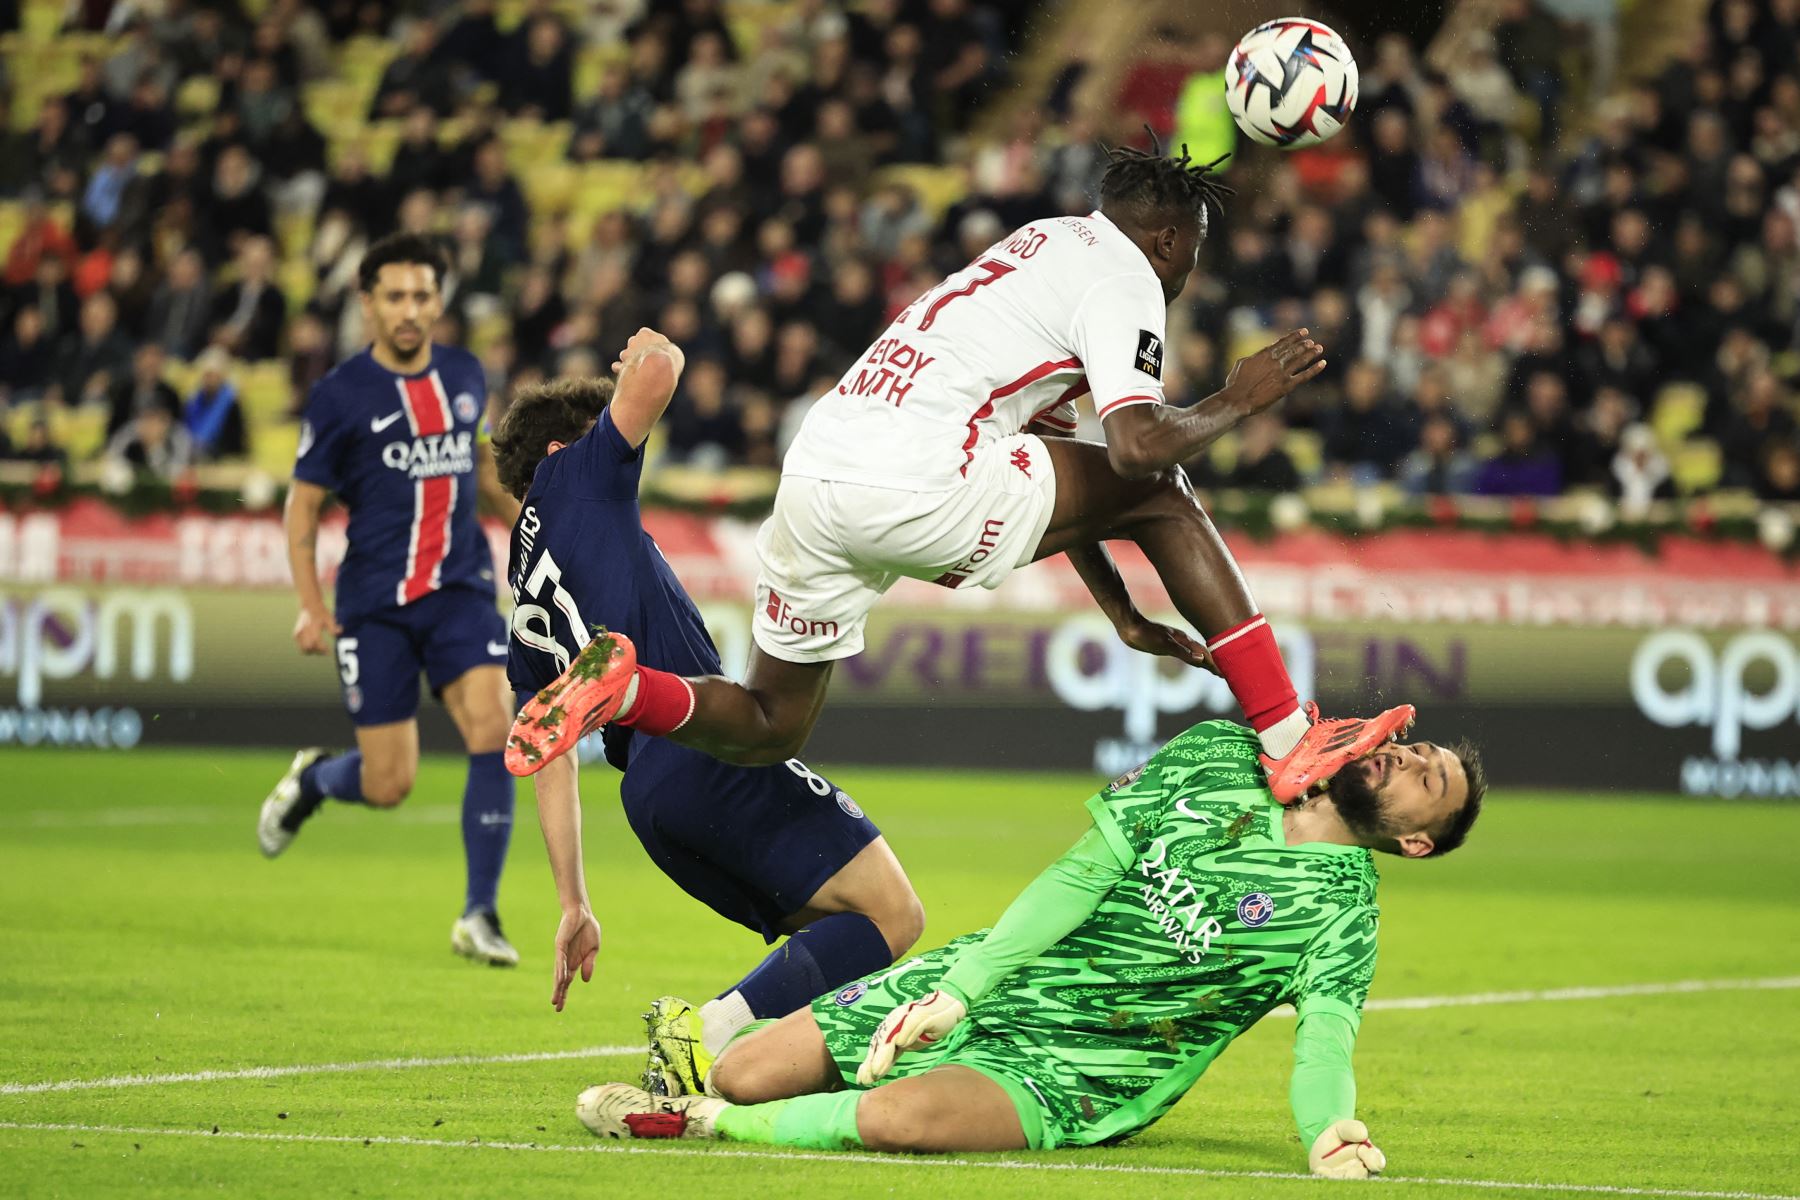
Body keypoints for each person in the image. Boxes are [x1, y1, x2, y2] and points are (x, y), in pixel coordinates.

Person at [506, 141, 1413, 804]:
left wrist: (1124, 614)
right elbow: (1134, 455)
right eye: (1196, 253)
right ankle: (1290, 737)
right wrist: (1238, 397)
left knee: (771, 720)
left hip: (819, 467)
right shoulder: (1130, 279)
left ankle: (624, 691)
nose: (1189, 273)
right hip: (921, 472)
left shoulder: (1047, 243)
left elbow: (1074, 466)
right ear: (1170, 239)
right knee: (1167, 499)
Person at [576, 718, 1485, 1178]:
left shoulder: (1343, 917)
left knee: (895, 1123)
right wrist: (963, 989)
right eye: (1415, 748)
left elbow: (1324, 1037)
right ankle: (734, 1089)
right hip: (993, 980)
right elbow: (1078, 877)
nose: (1407, 758)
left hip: (1083, 1068)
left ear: (1415, 843)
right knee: (746, 1069)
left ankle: (695, 1122)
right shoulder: (1221, 754)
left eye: (1429, 778)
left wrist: (1326, 1130)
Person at [490, 334, 926, 1095]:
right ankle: (705, 1033)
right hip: (698, 745)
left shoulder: (524, 592)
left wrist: (573, 901)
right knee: (895, 913)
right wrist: (643, 351)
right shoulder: (574, 474)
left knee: (835, 929)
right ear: (561, 449)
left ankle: (822, 1059)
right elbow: (659, 370)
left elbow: (545, 752)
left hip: (651, 804)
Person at [258, 233, 526, 967]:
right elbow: (303, 510)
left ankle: (480, 912)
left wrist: (541, 542)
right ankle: (315, 777)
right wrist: (313, 607)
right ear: (367, 303)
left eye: (423, 296)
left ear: (439, 302)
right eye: (396, 297)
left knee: (492, 723)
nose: (411, 311)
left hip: (460, 591)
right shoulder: (340, 396)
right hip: (374, 603)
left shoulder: (467, 375)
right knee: (388, 783)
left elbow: (490, 473)